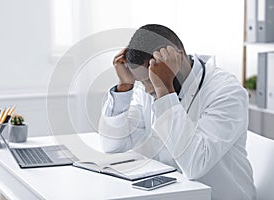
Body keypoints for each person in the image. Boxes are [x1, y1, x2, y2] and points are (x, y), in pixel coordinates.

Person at [98, 24, 256, 200]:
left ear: (176, 57)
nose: (147, 90)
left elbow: (195, 164)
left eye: (149, 81)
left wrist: (164, 89)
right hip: (177, 194)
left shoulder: (226, 91)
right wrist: (125, 87)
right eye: (142, 82)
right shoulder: (148, 91)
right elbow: (112, 145)